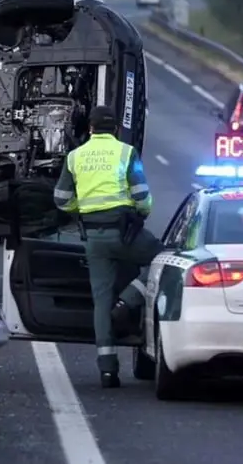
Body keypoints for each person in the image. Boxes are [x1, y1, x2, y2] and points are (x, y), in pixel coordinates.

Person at [54, 105, 161, 388]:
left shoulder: (75, 157)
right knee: (162, 260)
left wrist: (82, 211)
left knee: (100, 301)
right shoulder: (126, 153)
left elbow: (62, 199)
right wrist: (142, 213)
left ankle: (107, 371)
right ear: (115, 129)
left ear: (90, 128)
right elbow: (142, 196)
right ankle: (127, 301)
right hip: (125, 233)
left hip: (94, 238)